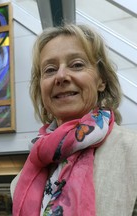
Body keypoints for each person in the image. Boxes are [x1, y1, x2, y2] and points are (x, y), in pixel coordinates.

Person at [10, 24, 137, 216]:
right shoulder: (19, 183)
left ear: (101, 81)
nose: (61, 76)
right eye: (50, 69)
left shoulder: (132, 152)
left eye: (77, 65)